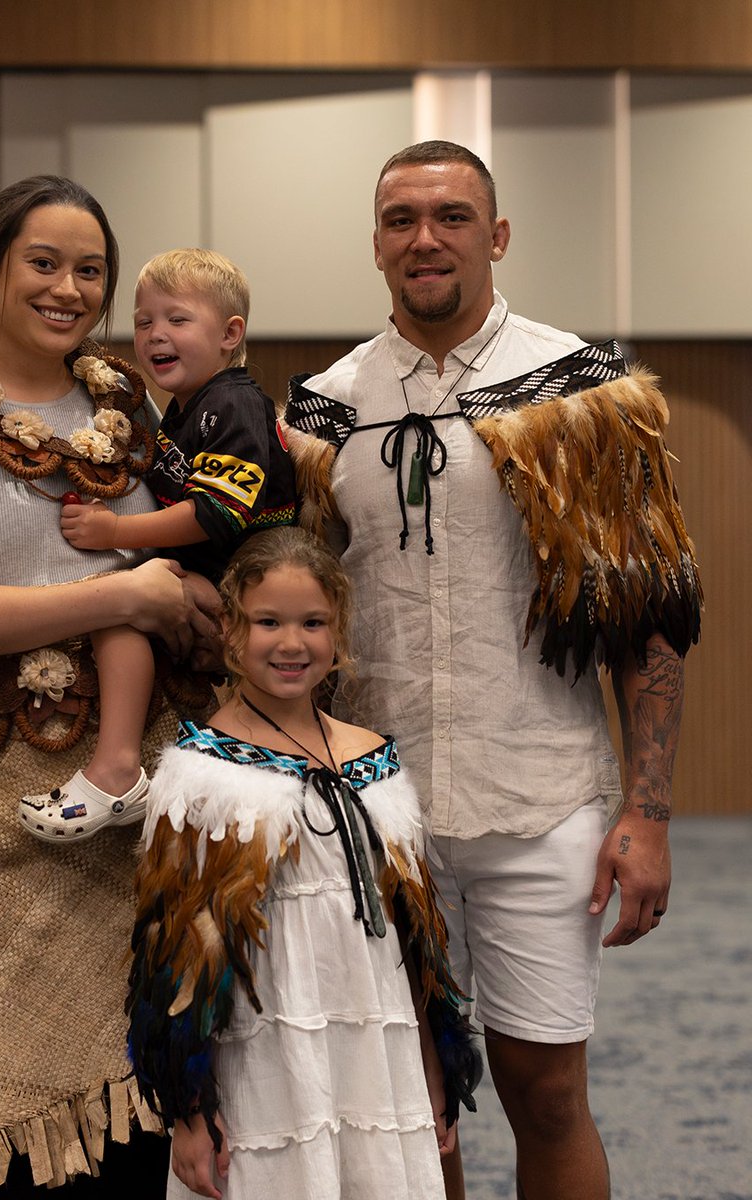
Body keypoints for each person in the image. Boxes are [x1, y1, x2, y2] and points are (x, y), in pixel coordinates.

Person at [283, 141, 702, 1200]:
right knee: (407, 1106)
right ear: (376, 243)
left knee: (546, 1090)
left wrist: (646, 814)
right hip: (372, 809)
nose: (427, 238)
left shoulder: (584, 389)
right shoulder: (323, 412)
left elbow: (647, 618)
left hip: (542, 795)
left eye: (453, 216)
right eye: (401, 219)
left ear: (497, 235)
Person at [0, 175, 222, 1200]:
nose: (69, 288)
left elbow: (187, 551)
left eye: (91, 270)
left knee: (129, 1140)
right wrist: (122, 595)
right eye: (45, 262)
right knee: (10, 1148)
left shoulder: (126, 405)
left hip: (138, 821)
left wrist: (179, 594)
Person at [127, 526, 480, 1200]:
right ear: (230, 629)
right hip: (267, 1050)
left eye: (312, 622)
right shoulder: (203, 772)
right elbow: (174, 958)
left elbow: (417, 944)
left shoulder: (375, 759)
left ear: (338, 629)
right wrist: (189, 1114)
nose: (292, 643)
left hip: (376, 1043)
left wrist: (436, 1064)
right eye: (269, 622)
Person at [20, 248, 296, 842]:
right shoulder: (181, 410)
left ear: (230, 334)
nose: (155, 334)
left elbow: (215, 514)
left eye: (177, 319)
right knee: (122, 603)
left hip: (248, 581)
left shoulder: (232, 404)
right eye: (144, 322)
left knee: (120, 608)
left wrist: (116, 533)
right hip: (218, 574)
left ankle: (117, 769)